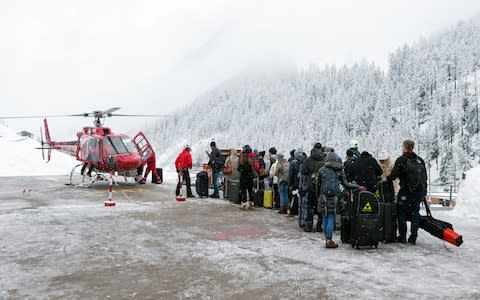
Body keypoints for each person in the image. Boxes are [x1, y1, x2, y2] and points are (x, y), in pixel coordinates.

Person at [385, 140, 427, 245]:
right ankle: (413, 238)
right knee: (415, 214)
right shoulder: (420, 160)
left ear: (405, 147)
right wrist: (423, 193)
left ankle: (402, 237)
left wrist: (387, 179)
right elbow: (425, 178)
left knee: (401, 214)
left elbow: (393, 175)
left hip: (405, 192)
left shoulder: (401, 160)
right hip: (418, 193)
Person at [317, 151, 359, 248]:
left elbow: (318, 185)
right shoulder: (339, 170)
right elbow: (346, 184)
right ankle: (329, 239)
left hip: (323, 196)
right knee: (331, 217)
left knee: (325, 216)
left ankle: (327, 239)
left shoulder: (322, 170)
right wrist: (357, 186)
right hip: (334, 197)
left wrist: (318, 196)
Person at [299, 142, 325, 232]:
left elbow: (303, 172)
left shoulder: (308, 159)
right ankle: (319, 226)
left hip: (311, 186)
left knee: (310, 206)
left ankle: (309, 225)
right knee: (320, 207)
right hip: (321, 187)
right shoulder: (324, 159)